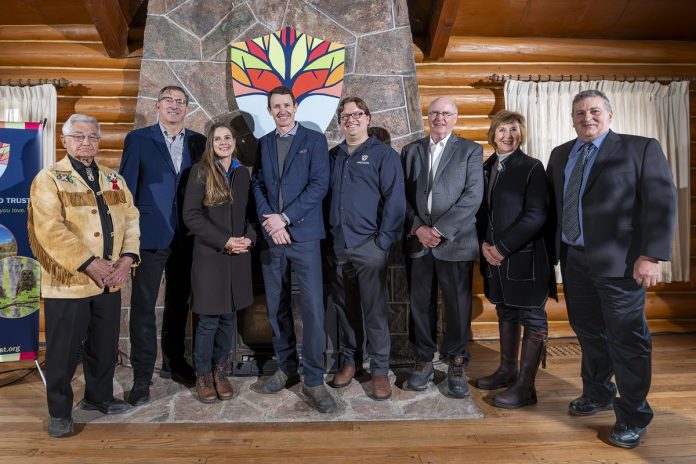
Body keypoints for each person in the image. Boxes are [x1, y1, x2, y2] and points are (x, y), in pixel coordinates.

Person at [546, 89, 676, 448]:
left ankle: (633, 414)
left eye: (594, 111)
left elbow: (661, 203)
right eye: (579, 113)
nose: (587, 117)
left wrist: (651, 255)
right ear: (572, 119)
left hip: (622, 264)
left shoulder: (640, 148)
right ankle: (598, 392)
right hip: (574, 259)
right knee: (588, 331)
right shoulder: (560, 155)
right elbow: (556, 208)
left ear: (610, 115)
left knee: (628, 339)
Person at [28, 114, 140, 437]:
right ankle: (59, 413)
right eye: (79, 136)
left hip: (109, 281)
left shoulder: (113, 179)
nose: (86, 143)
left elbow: (131, 219)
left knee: (104, 346)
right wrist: (90, 263)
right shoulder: (49, 178)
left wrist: (127, 259)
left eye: (92, 137)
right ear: (65, 140)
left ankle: (99, 397)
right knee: (63, 352)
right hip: (69, 283)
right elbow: (49, 230)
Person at [250, 86, 335, 413]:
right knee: (275, 307)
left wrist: (285, 218)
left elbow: (319, 185)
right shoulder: (265, 143)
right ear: (270, 111)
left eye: (286, 105)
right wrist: (271, 222)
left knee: (313, 308)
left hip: (305, 236)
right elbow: (257, 183)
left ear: (295, 107)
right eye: (276, 107)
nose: (282, 111)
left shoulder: (314, 141)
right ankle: (286, 368)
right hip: (273, 237)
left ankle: (314, 379)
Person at [119, 85, 206, 406]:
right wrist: (126, 237)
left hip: (187, 236)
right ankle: (142, 376)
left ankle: (174, 363)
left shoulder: (199, 142)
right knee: (143, 307)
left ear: (187, 108)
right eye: (168, 100)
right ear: (157, 106)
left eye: (180, 102)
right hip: (149, 235)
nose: (174, 106)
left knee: (179, 304)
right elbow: (125, 191)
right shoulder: (138, 140)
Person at [401, 97, 484, 398]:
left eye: (446, 113)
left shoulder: (470, 151)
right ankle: (424, 359)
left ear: (455, 118)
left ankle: (457, 361)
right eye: (435, 112)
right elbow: (402, 197)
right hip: (418, 241)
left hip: (456, 242)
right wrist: (419, 228)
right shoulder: (411, 151)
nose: (439, 118)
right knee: (420, 304)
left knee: (457, 305)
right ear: (428, 116)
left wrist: (439, 230)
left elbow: (473, 196)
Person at [474, 110, 556, 408]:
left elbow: (536, 215)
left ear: (521, 135)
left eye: (514, 130)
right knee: (506, 312)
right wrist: (484, 245)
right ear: (493, 133)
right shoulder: (486, 167)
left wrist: (502, 247)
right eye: (502, 130)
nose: (508, 136)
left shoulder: (532, 167)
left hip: (525, 258)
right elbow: (481, 213)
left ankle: (526, 387)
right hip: (493, 258)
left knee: (532, 317)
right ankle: (507, 370)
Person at [326, 97, 405, 400]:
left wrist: (382, 244)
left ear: (367, 118)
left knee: (374, 311)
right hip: (337, 247)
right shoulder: (333, 156)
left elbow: (395, 202)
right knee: (345, 310)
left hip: (369, 246)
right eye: (345, 116)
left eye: (357, 114)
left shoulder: (383, 155)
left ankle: (380, 370)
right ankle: (350, 361)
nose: (351, 119)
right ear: (340, 122)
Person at [183, 123, 256, 403]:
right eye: (217, 138)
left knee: (228, 318)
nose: (223, 142)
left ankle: (220, 371)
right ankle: (202, 374)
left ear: (234, 142)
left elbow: (249, 215)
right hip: (211, 256)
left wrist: (248, 239)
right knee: (209, 320)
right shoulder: (200, 172)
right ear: (210, 144)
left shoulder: (242, 174)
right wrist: (224, 240)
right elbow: (191, 215)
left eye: (227, 137)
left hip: (238, 256)